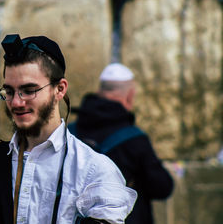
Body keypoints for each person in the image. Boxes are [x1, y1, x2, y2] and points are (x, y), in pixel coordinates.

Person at [0, 34, 137, 224]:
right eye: (9, 92)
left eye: (29, 90)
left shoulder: (95, 172)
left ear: (60, 89)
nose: (16, 102)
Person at [70, 63, 174, 224]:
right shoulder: (134, 140)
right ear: (130, 96)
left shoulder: (69, 134)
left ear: (100, 91)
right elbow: (162, 187)